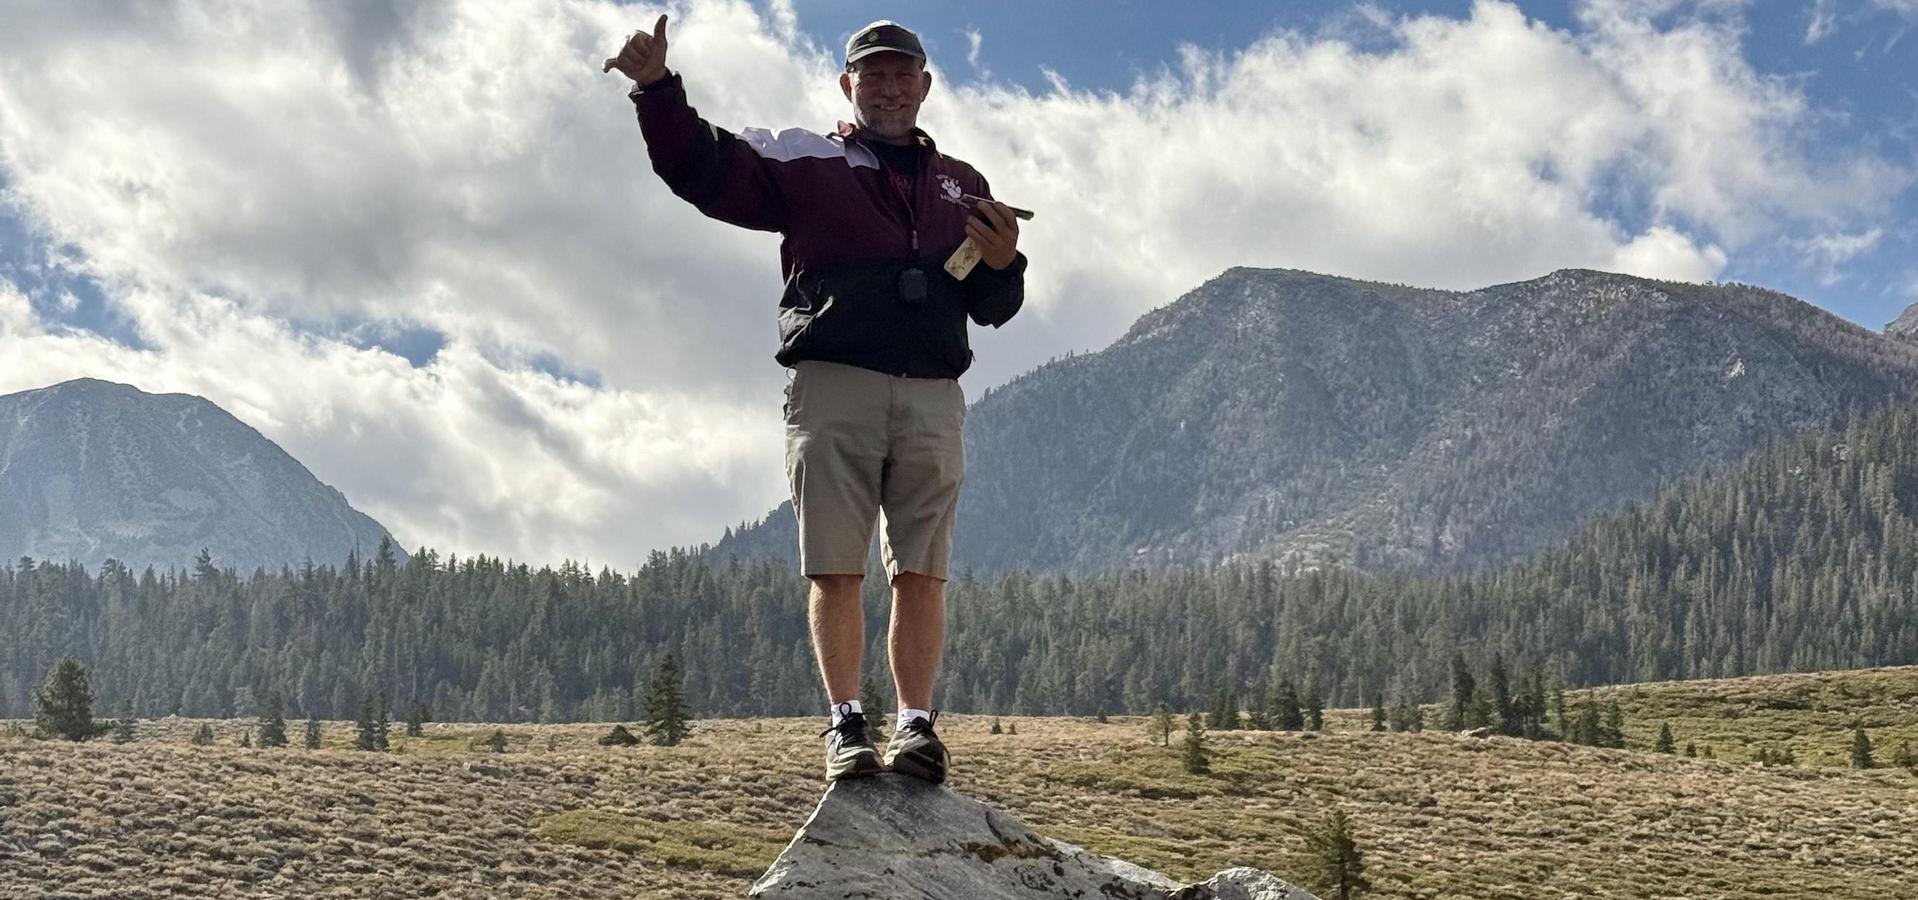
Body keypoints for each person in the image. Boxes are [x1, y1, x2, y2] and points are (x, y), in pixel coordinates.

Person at [606, 16, 1027, 784]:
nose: (890, 88)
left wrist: (1005, 263)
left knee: (922, 571)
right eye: (874, 76)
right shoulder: (808, 160)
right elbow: (703, 168)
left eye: (904, 75)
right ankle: (845, 727)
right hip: (833, 385)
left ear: (926, 87)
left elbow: (993, 303)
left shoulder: (962, 184)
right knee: (836, 566)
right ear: (848, 86)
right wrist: (656, 89)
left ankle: (916, 728)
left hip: (934, 393)